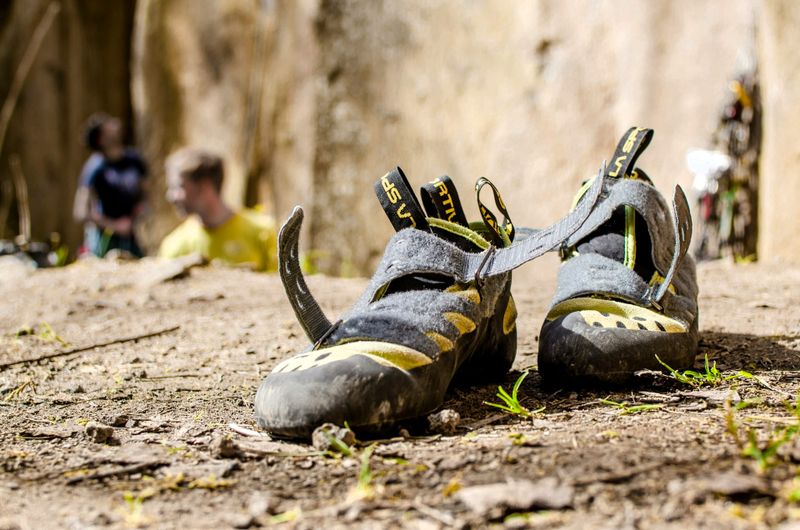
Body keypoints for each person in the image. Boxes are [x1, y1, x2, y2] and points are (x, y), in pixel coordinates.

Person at [159, 147, 277, 272]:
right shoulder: (175, 246)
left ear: (204, 186)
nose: (171, 196)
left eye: (178, 187)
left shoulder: (262, 232)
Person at [73, 113, 148, 257]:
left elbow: (144, 192)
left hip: (132, 236)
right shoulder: (94, 168)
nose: (115, 123)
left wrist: (138, 214)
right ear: (101, 139)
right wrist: (115, 225)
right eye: (108, 126)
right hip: (104, 240)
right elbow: (80, 211)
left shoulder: (134, 160)